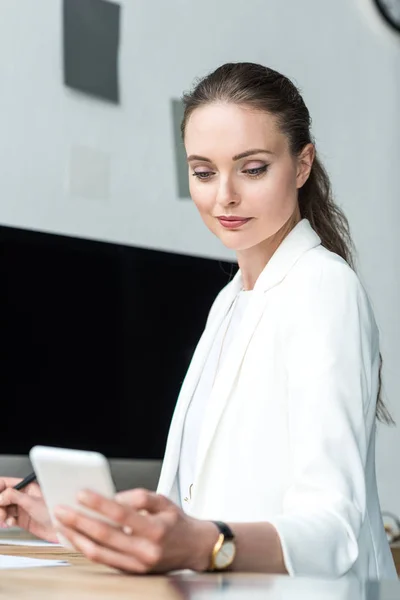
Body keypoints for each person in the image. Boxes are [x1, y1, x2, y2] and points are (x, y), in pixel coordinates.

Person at [0, 62, 397, 579]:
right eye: (203, 171)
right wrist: (80, 521)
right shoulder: (229, 301)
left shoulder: (324, 288)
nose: (223, 195)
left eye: (252, 169)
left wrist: (203, 544)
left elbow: (334, 531)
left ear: (302, 166)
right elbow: (195, 507)